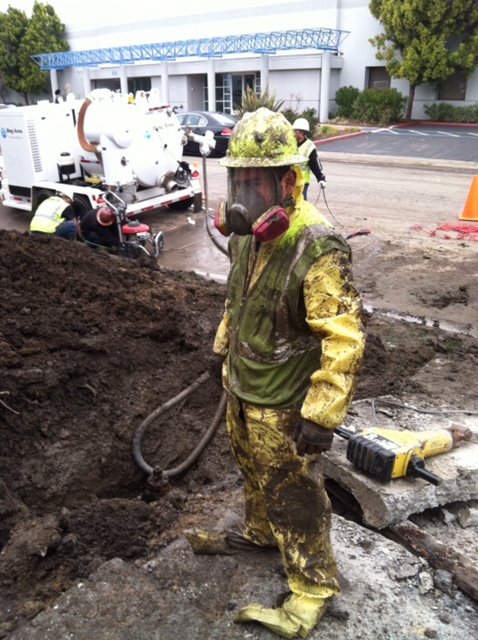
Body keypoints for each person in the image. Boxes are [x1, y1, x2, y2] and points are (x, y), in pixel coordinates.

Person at [184, 108, 366, 639]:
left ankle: (311, 589)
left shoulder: (318, 245)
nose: (241, 194)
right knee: (250, 470)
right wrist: (223, 347)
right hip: (243, 389)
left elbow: (344, 336)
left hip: (284, 402)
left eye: (253, 181)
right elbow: (237, 302)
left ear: (288, 181)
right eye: (235, 179)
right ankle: (260, 534)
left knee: (294, 493)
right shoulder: (246, 235)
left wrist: (322, 414)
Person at [292, 117, 326, 201]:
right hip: (290, 181)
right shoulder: (290, 144)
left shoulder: (309, 147)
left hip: (302, 183)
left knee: (301, 204)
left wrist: (320, 178)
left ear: (301, 133)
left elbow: (315, 165)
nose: (293, 133)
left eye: (295, 131)